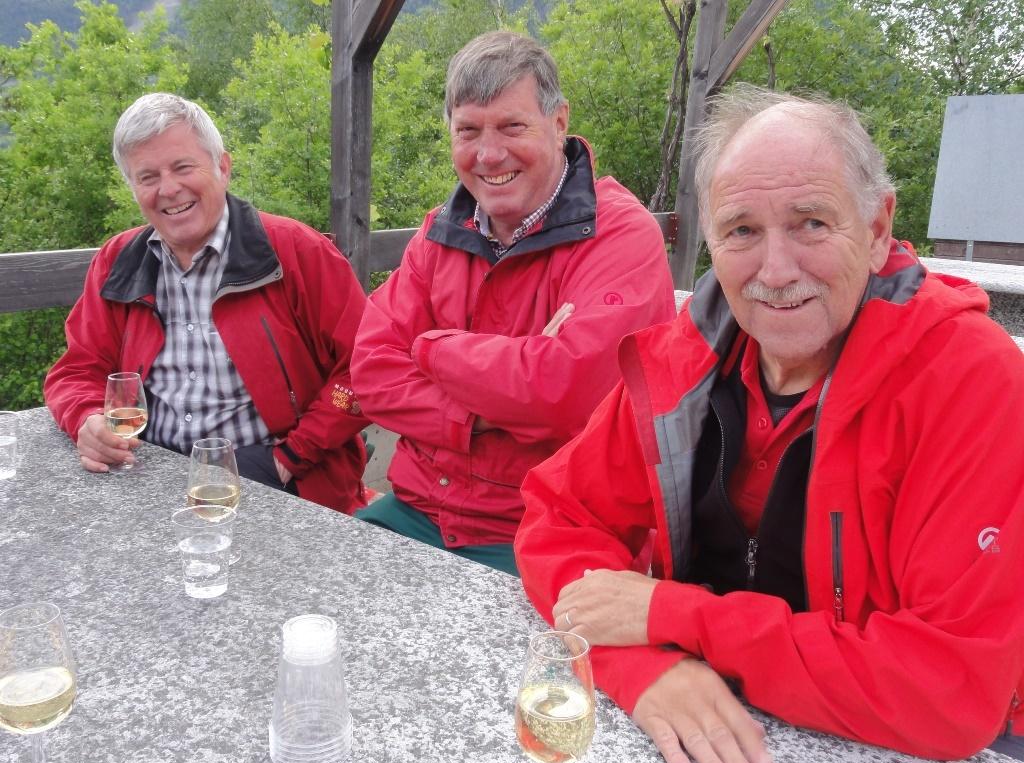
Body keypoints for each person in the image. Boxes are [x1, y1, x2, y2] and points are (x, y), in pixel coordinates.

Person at [515, 84, 1024, 763]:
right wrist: (646, 669)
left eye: (811, 222)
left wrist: (676, 617)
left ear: (877, 231)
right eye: (743, 231)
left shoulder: (968, 379)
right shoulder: (688, 356)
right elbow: (558, 519)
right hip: (723, 714)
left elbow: (948, 693)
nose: (776, 272)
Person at [350, 31, 675, 575]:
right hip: (418, 509)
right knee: (308, 606)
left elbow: (565, 394)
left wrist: (431, 350)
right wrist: (486, 407)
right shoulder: (440, 231)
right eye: (468, 131)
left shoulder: (620, 234)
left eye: (511, 127)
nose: (489, 154)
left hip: (557, 526)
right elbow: (371, 372)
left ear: (559, 122)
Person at [44, 93, 370, 513]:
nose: (168, 189)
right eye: (147, 177)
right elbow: (75, 372)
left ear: (223, 167)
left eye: (183, 167)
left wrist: (291, 456)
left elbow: (366, 369)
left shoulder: (296, 252)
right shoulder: (117, 260)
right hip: (148, 468)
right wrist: (87, 419)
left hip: (276, 475)